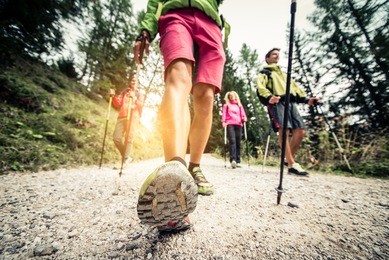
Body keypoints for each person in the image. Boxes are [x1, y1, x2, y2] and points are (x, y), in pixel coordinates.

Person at [133, 0, 228, 231]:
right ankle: (175, 168)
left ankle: (194, 166)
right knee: (179, 78)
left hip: (211, 24)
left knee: (206, 96)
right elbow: (155, 2)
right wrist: (145, 29)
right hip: (175, 15)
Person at [256, 48, 320, 176]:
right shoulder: (265, 72)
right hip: (277, 102)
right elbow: (260, 87)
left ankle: (287, 159)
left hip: (290, 102)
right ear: (267, 59)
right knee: (283, 130)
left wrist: (306, 100)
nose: (276, 56)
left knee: (300, 130)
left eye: (278, 55)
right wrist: (269, 97)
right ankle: (292, 164)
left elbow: (295, 89)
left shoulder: (285, 74)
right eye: (274, 54)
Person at [111, 78, 145, 168]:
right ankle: (126, 157)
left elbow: (141, 105)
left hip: (133, 117)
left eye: (135, 80)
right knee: (116, 138)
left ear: (139, 83)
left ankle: (124, 160)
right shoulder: (125, 92)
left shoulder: (139, 94)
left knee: (128, 138)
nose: (133, 82)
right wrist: (113, 96)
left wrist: (134, 98)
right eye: (132, 80)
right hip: (122, 116)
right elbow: (118, 103)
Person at [222, 91, 247, 169]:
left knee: (238, 142)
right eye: (230, 96)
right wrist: (223, 121)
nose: (231, 97)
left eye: (233, 95)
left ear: (236, 96)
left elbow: (243, 114)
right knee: (232, 141)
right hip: (230, 124)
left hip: (239, 124)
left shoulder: (239, 105)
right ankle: (233, 160)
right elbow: (224, 114)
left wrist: (244, 118)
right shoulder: (226, 105)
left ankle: (238, 161)